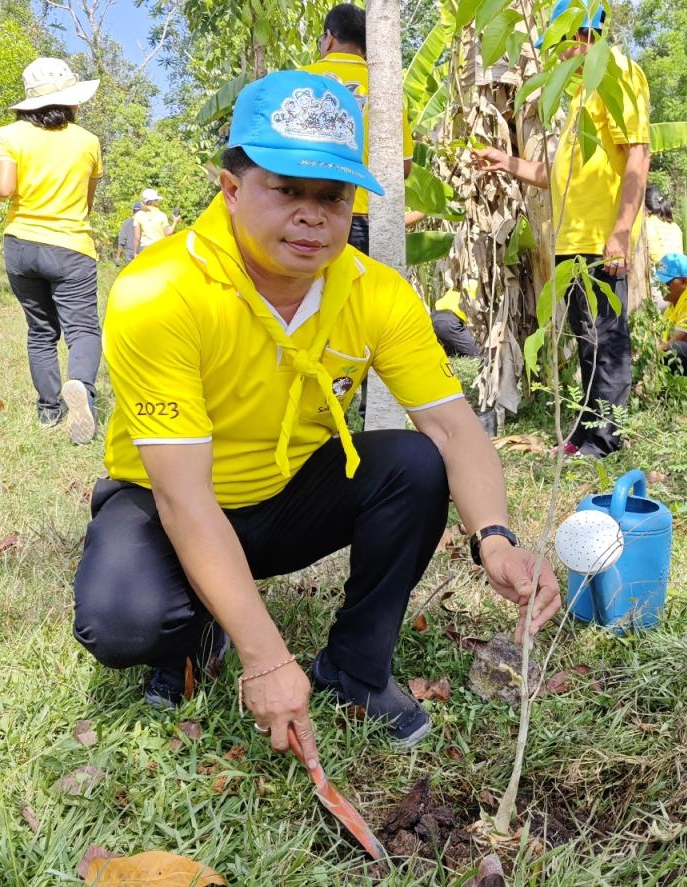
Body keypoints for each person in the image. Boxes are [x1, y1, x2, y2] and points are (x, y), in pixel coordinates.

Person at [71, 71, 560, 762]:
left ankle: (355, 671)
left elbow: (454, 428)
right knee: (122, 619)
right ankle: (197, 630)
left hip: (288, 495)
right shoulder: (158, 291)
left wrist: (497, 538)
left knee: (416, 463)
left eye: (331, 196)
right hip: (171, 503)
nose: (312, 215)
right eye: (287, 189)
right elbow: (183, 498)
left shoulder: (376, 294)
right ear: (232, 189)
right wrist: (265, 657)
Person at [474, 0, 650, 458]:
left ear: (579, 36)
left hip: (600, 239)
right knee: (587, 344)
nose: (552, 58)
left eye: (556, 47)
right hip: (570, 241)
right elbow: (557, 174)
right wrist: (507, 162)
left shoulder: (617, 74)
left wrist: (621, 231)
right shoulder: (576, 95)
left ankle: (606, 442)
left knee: (607, 342)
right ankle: (584, 432)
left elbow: (638, 154)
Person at [0, 57, 102, 445]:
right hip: (71, 246)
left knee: (41, 330)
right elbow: (86, 203)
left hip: (22, 246)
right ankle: (82, 389)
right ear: (70, 100)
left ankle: (48, 409)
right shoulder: (87, 141)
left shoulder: (9, 135)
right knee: (82, 328)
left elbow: (4, 188)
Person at [301, 3, 414, 254]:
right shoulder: (385, 86)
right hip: (367, 216)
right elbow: (403, 167)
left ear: (329, 39)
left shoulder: (301, 80)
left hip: (308, 213)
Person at [431, 287, 481, 358]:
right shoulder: (479, 287)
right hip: (449, 322)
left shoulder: (460, 282)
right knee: (479, 355)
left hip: (434, 317)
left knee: (454, 353)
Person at [643, 186, 683, 269]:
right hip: (678, 270)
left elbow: (654, 255)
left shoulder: (648, 223)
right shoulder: (674, 225)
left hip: (661, 271)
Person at [134, 188, 178, 252]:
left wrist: (135, 252)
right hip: (159, 247)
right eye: (156, 200)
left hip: (145, 248)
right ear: (154, 201)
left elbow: (137, 237)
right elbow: (167, 233)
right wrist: (175, 222)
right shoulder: (162, 215)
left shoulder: (138, 214)